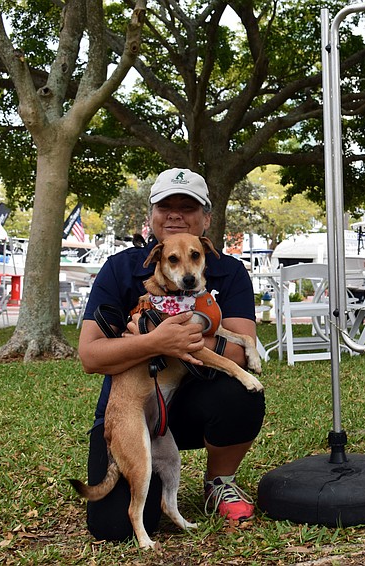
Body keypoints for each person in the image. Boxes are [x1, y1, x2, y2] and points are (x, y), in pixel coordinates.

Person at [77, 168, 265, 542]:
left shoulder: (229, 271)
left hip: (196, 402)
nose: (176, 214)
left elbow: (243, 349)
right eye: (166, 206)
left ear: (206, 220)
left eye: (187, 206)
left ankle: (218, 482)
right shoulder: (120, 268)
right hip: (132, 409)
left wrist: (182, 342)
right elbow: (90, 356)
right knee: (113, 528)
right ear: (151, 217)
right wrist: (154, 342)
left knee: (243, 391)